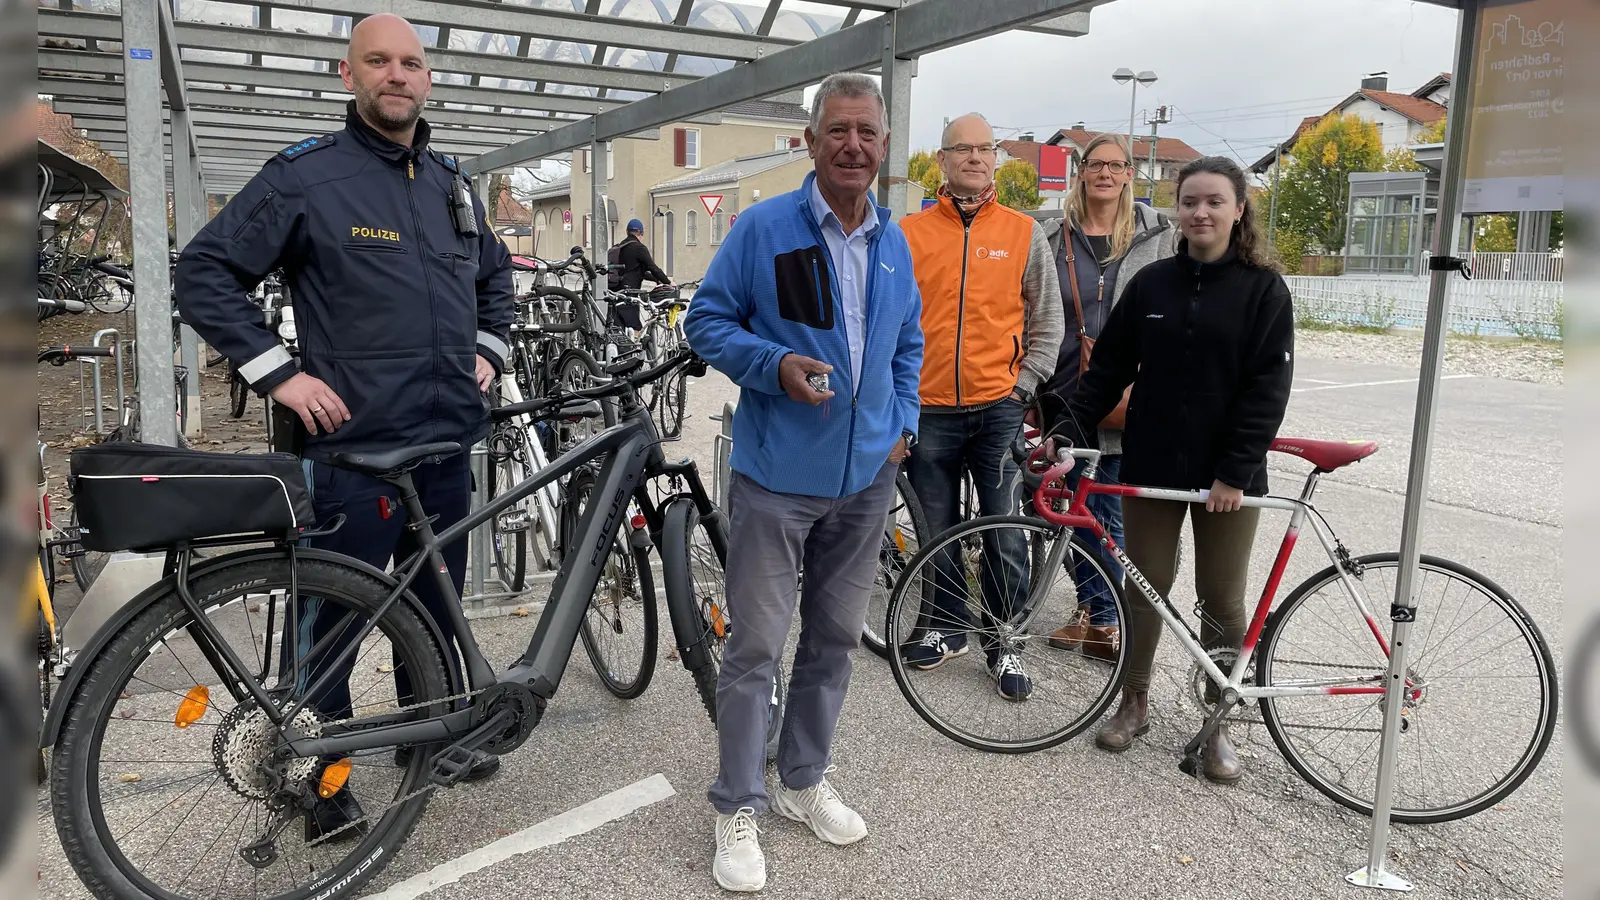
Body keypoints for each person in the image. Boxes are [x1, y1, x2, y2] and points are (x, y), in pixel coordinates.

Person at [175, 13, 514, 838]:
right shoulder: (305, 179)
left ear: (427, 78)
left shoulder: (451, 187)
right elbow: (204, 272)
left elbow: (496, 281)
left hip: (442, 447)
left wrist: (489, 352)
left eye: (411, 63)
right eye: (379, 62)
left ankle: (430, 739)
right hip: (353, 455)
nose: (397, 75)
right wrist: (280, 375)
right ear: (347, 74)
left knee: (435, 604)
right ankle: (318, 777)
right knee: (331, 623)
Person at [682, 72, 923, 892]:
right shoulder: (762, 229)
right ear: (812, 141)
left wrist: (904, 426)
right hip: (777, 478)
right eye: (838, 131)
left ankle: (800, 779)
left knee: (832, 643)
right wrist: (773, 364)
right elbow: (706, 321)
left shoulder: (893, 241)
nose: (853, 145)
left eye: (868, 132)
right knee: (754, 647)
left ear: (884, 146)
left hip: (864, 484)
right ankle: (736, 803)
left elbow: (907, 345)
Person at [1039, 155, 1293, 784]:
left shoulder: (1264, 289)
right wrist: (1067, 428)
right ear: (1176, 209)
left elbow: (1269, 388)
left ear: (1239, 209)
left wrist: (1235, 471)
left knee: (1222, 601)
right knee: (1144, 587)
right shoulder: (1151, 283)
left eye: (1214, 202)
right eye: (1190, 202)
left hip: (1227, 478)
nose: (1200, 212)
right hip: (1149, 461)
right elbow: (1106, 372)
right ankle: (1135, 701)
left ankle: (1217, 724)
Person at [897, 113, 1064, 700]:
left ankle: (1005, 639)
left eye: (984, 148)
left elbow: (1047, 320)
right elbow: (891, 322)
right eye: (960, 148)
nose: (974, 157)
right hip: (928, 408)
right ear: (940, 161)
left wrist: (1024, 388)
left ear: (997, 158)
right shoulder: (911, 234)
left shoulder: (1023, 233)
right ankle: (944, 627)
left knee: (1006, 531)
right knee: (935, 528)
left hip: (999, 408)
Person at [1037, 134, 1174, 662]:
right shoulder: (1052, 236)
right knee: (1074, 507)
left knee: (1106, 508)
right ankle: (1098, 610)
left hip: (1129, 389)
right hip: (1066, 388)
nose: (1106, 174)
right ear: (1081, 171)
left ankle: (1105, 618)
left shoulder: (1158, 236)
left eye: (1116, 165)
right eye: (1096, 164)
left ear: (1129, 174)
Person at [612, 218, 673, 290]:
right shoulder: (640, 248)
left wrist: (656, 279)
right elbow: (653, 268)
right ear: (642, 233)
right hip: (630, 291)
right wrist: (668, 282)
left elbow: (639, 272)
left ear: (627, 232)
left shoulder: (621, 246)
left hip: (616, 288)